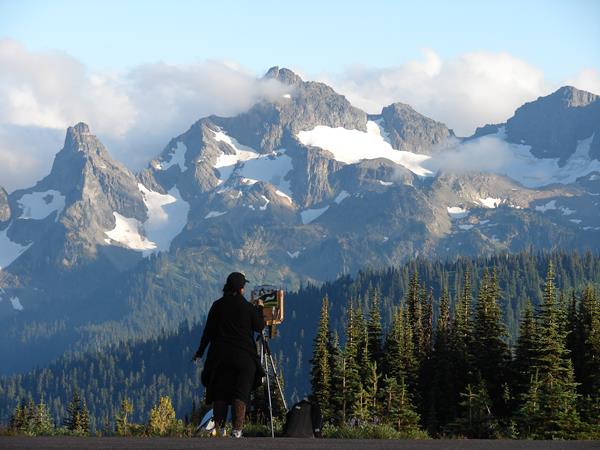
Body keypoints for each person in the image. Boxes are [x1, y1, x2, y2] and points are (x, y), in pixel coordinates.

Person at [193, 272, 264, 438]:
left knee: (220, 394)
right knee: (240, 393)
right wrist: (259, 308)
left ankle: (220, 428)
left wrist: (200, 352)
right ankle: (237, 431)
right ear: (241, 288)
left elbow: (208, 332)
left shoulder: (217, 306)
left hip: (220, 356)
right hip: (243, 358)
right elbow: (259, 327)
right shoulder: (247, 307)